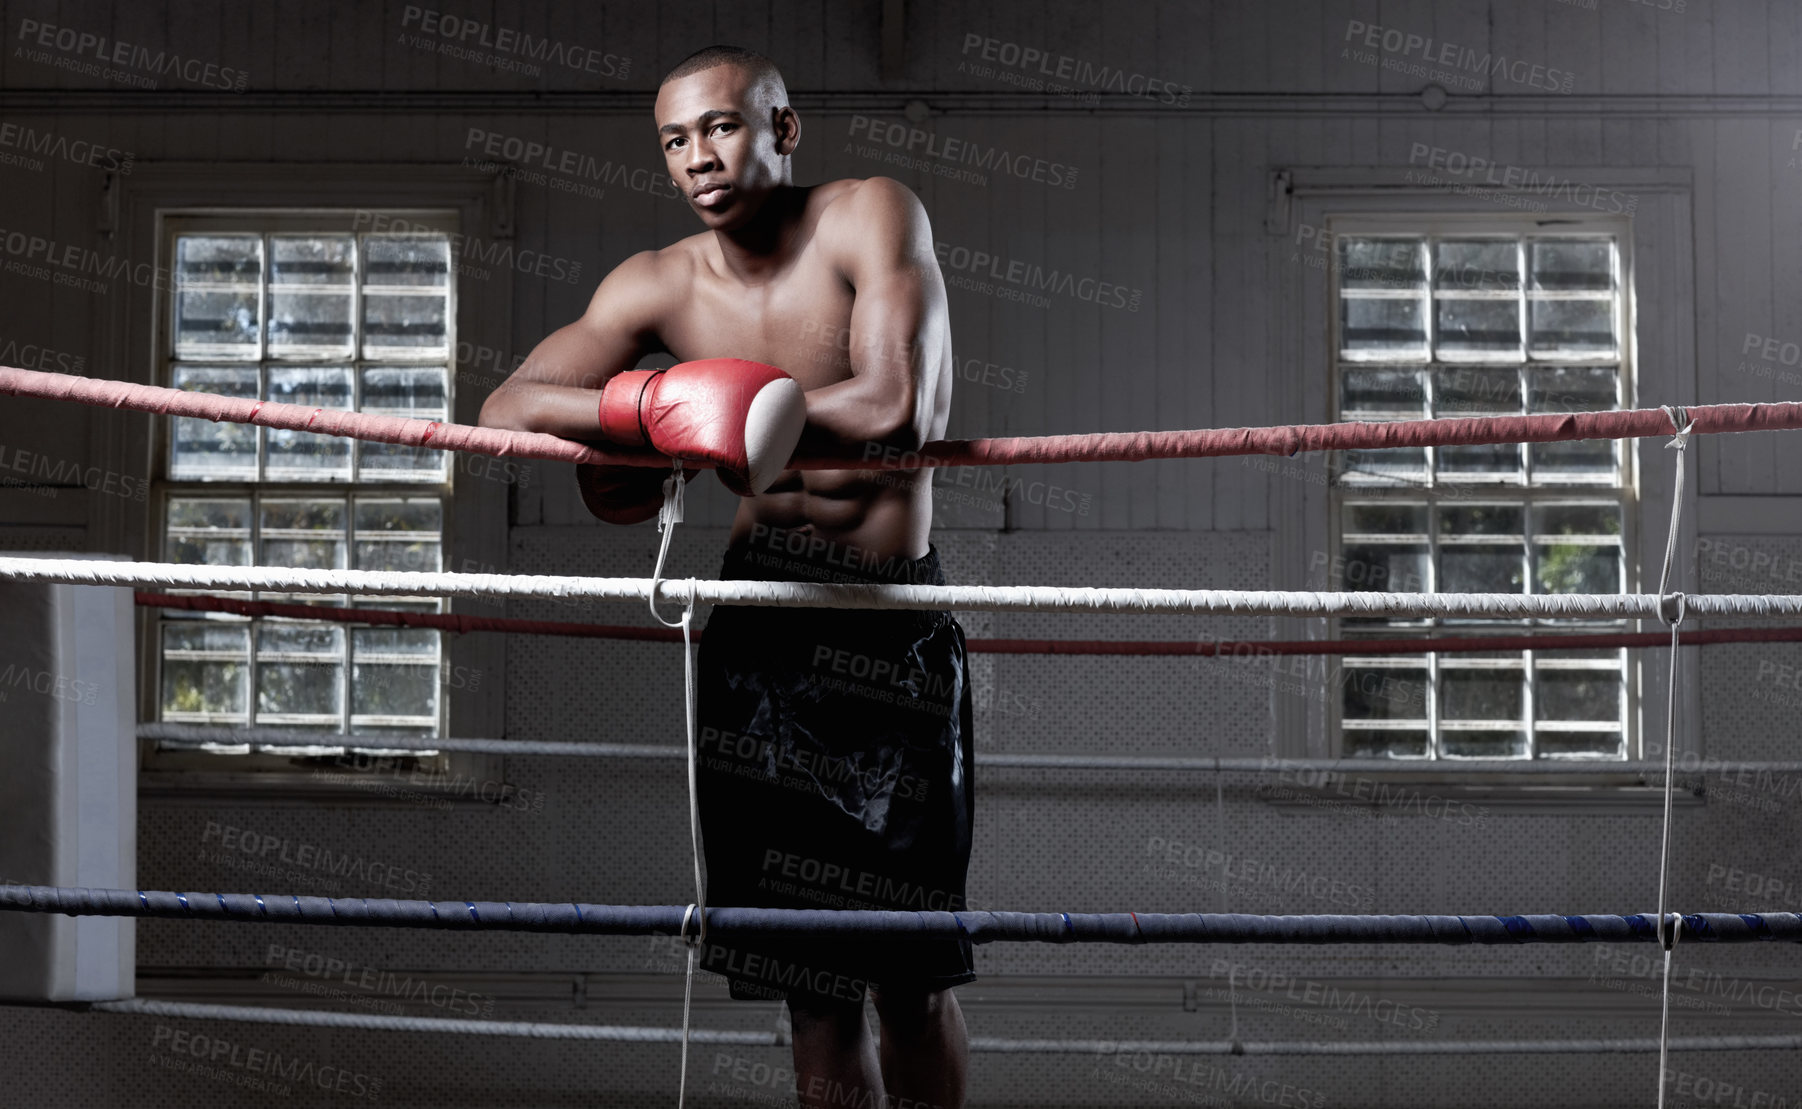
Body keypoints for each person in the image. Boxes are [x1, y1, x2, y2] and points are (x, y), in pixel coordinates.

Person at [478, 44, 973, 1109]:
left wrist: (738, 409)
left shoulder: (869, 215)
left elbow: (898, 408)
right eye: (673, 139)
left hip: (886, 631)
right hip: (759, 642)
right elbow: (505, 410)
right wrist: (652, 408)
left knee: (910, 980)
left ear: (781, 130)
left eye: (720, 126)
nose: (696, 154)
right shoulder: (655, 283)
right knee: (811, 994)